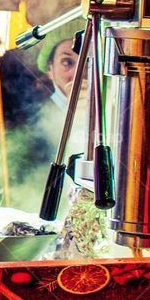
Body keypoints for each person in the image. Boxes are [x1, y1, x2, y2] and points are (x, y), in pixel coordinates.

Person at [34, 19, 112, 258]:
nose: (78, 72)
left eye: (88, 62)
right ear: (50, 70)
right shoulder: (32, 121)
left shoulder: (114, 118)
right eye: (67, 62)